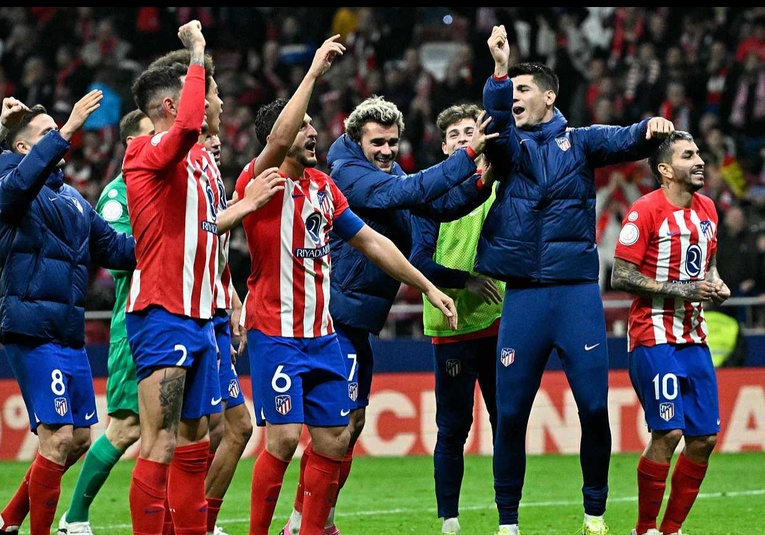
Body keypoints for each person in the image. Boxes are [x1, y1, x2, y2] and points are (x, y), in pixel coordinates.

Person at [236, 53, 465, 535]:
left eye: (315, 126)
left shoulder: (323, 187)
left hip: (323, 334)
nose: (313, 133)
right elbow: (279, 136)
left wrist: (429, 287)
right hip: (276, 330)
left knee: (337, 438)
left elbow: (373, 242)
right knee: (279, 442)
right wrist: (316, 73)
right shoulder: (261, 181)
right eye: (303, 128)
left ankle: (312, 528)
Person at [478, 25, 676, 535]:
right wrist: (500, 71)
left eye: (524, 89)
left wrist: (650, 126)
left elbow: (625, 138)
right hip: (522, 295)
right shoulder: (509, 148)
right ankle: (507, 521)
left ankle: (594, 512)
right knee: (511, 413)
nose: (515, 99)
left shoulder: (581, 142)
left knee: (592, 406)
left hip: (575, 294)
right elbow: (496, 117)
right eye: (512, 92)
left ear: (549, 96)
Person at [281, 94, 497, 535]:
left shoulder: (388, 172)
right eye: (377, 142)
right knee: (332, 429)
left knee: (351, 425)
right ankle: (301, 523)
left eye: (392, 143)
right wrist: (468, 155)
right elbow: (407, 193)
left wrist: (481, 183)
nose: (385, 151)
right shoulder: (346, 173)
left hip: (361, 319)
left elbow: (432, 207)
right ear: (355, 139)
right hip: (334, 315)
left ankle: (321, 521)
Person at [0, 91, 136, 535]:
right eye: (46, 136)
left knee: (77, 440)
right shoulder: (10, 178)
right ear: (25, 148)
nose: (59, 141)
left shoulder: (74, 200)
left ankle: (8, 520)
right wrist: (69, 125)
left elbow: (116, 251)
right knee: (56, 438)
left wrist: (171, 230)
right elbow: (19, 184)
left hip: (69, 333)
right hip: (32, 327)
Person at [611, 131, 730, 535]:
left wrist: (716, 284)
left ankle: (671, 529)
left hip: (694, 337)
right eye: (688, 155)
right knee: (669, 431)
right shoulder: (644, 211)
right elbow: (620, 275)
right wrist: (682, 289)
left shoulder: (708, 210)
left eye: (698, 153)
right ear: (665, 170)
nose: (699, 160)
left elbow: (707, 265)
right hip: (653, 335)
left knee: (704, 438)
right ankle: (644, 529)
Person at [56, 108, 154, 535]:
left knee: (199, 424)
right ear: (133, 143)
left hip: (176, 319)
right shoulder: (117, 195)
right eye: (152, 134)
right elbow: (116, 261)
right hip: (134, 321)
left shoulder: (159, 188)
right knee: (127, 426)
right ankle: (74, 515)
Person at [408, 103, 505, 535]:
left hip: (500, 322)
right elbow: (419, 262)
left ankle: (509, 517)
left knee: (508, 420)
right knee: (453, 428)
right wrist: (462, 281)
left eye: (472, 130)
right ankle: (450, 519)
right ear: (445, 144)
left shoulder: (499, 183)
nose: (465, 137)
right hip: (450, 326)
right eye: (456, 134)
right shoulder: (428, 193)